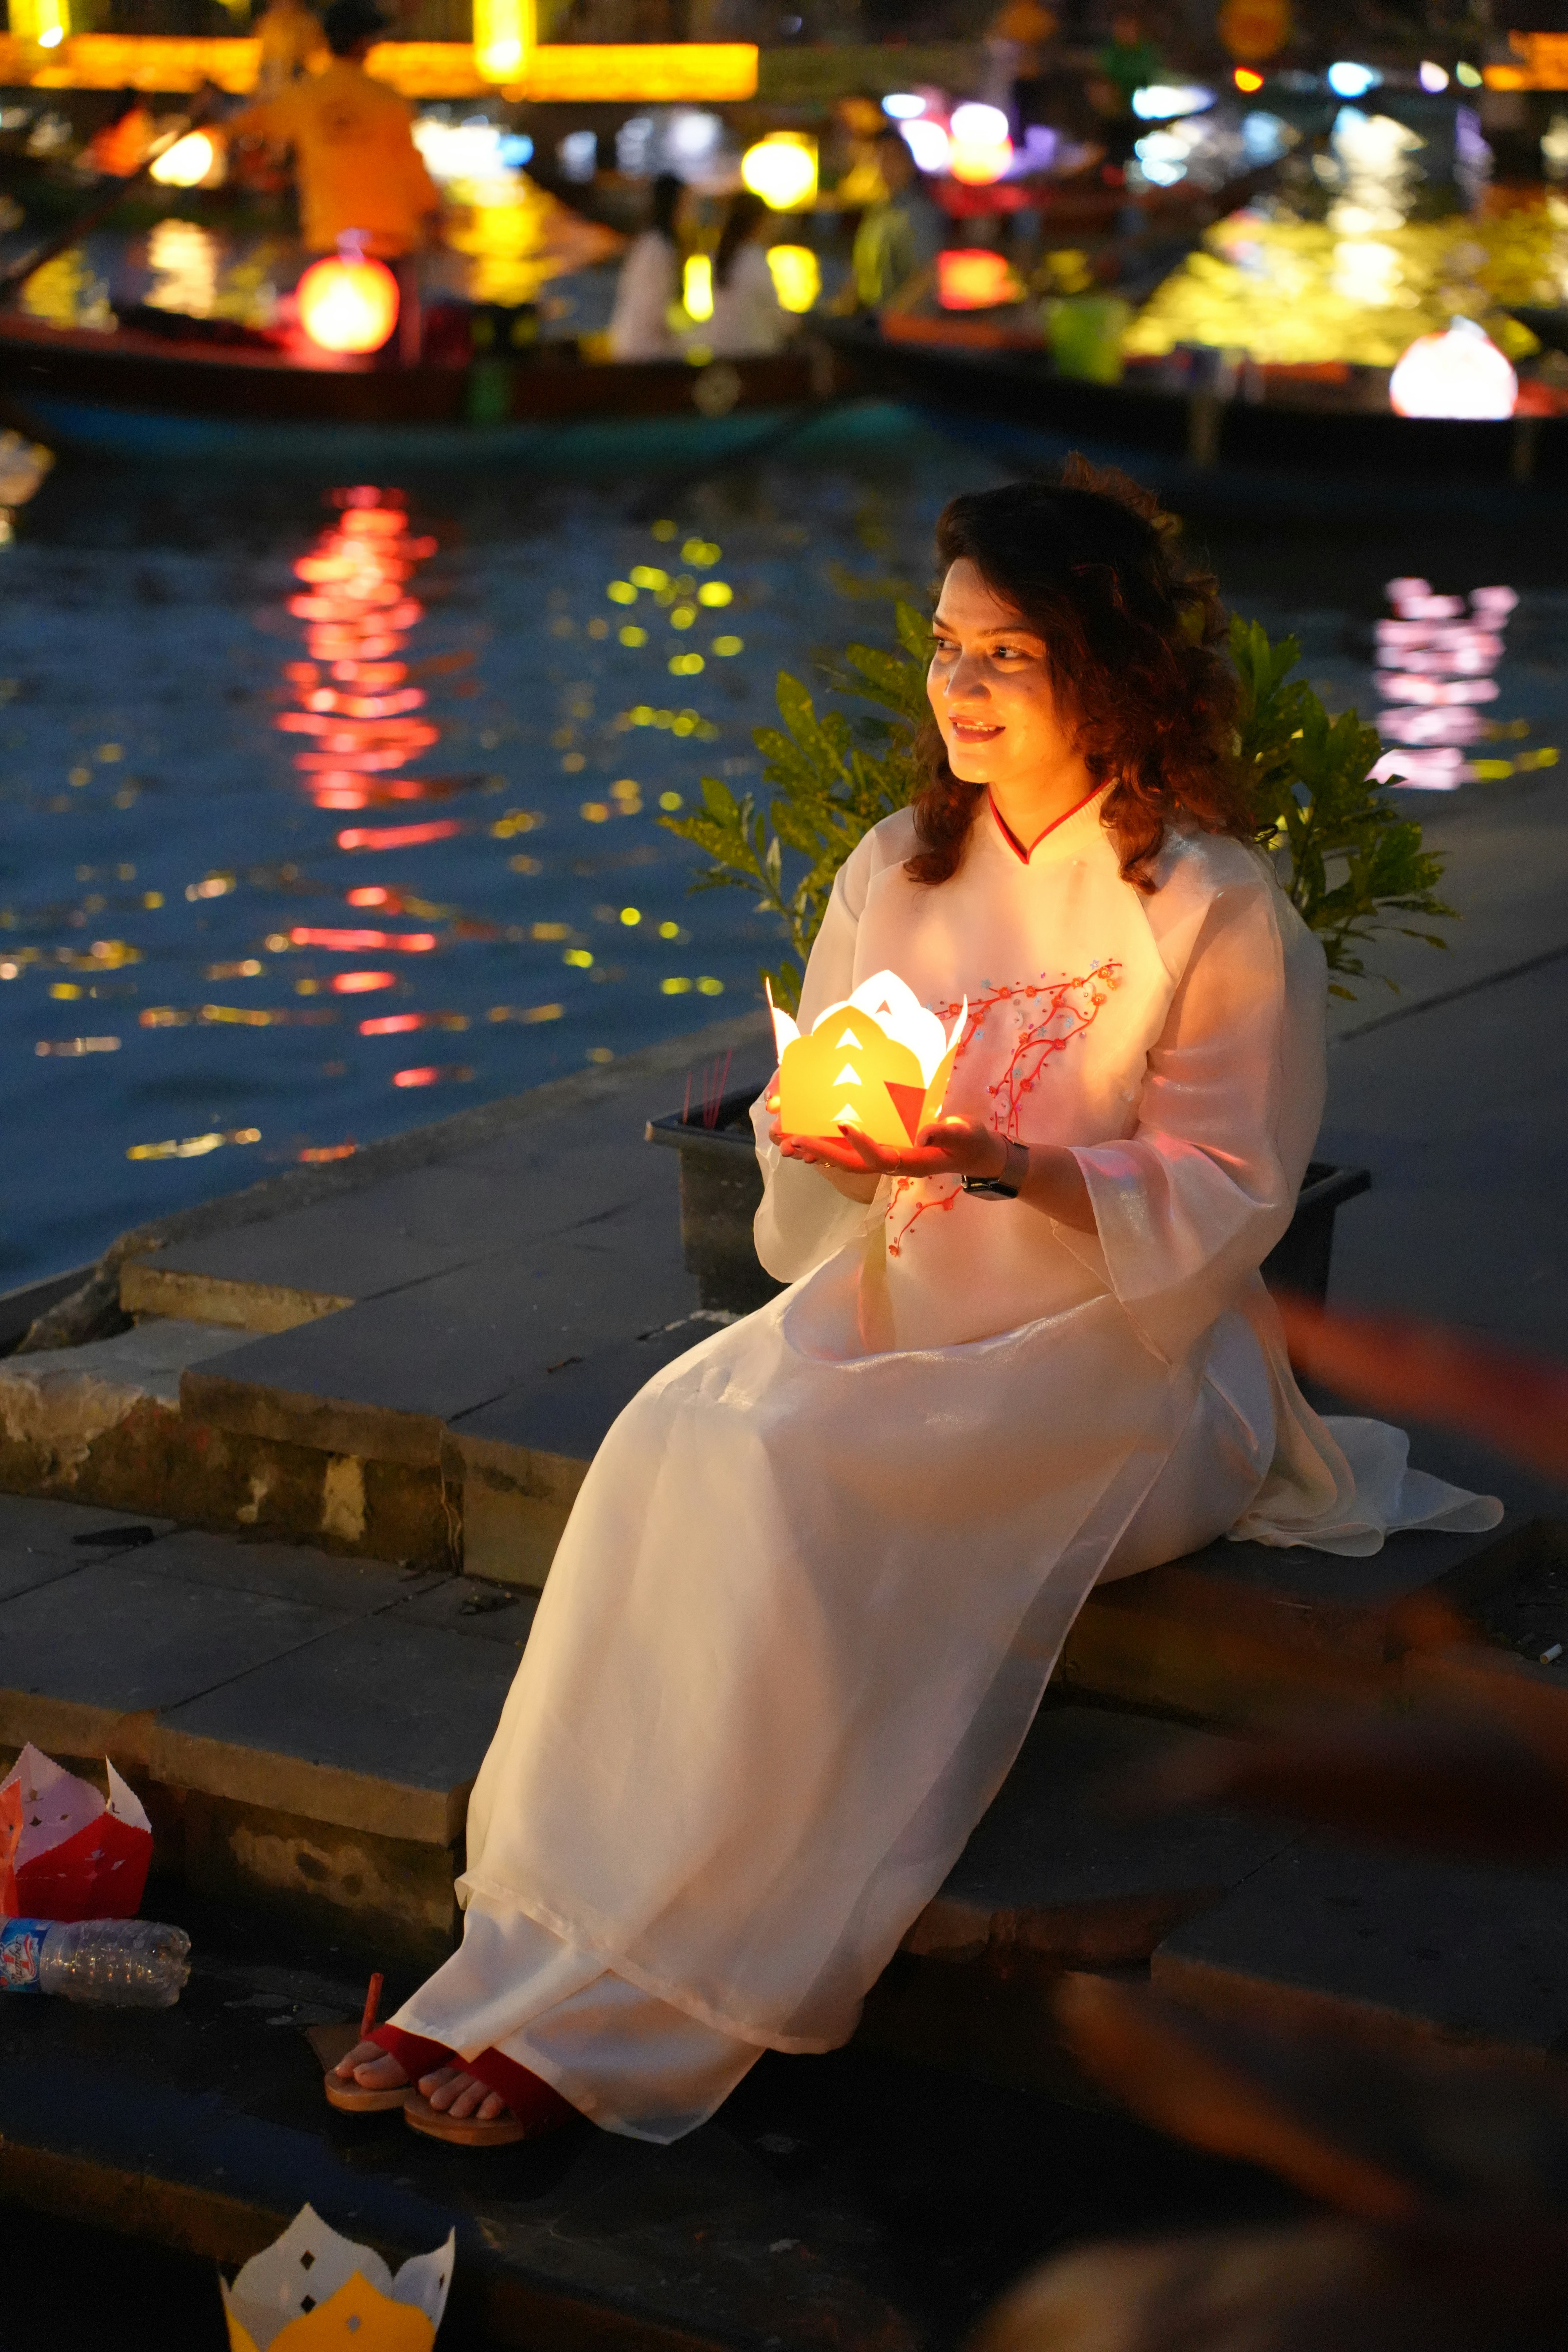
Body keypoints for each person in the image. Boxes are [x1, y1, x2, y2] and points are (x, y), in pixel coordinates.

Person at [327, 462, 1500, 2148]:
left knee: (791, 1481)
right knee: (675, 1436)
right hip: (906, 1299)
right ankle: (518, 1953)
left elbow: (1235, 1195)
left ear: (1105, 665)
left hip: (1128, 1357)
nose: (955, 686)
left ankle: (662, 1993)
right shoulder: (898, 864)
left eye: (1003, 654)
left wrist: (1005, 1159)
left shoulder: (1213, 902)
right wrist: (834, 1139)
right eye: (945, 647)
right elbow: (822, 1170)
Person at [219, 0, 439, 259]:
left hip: (328, 238)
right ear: (367, 43)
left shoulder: (305, 96)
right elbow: (411, 166)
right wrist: (434, 216)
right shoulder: (388, 99)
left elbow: (250, 123)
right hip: (389, 238)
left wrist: (217, 115)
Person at [849, 128, 942, 315]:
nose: (885, 167)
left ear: (908, 163)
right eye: (880, 159)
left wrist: (891, 316)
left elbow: (926, 275)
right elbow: (863, 271)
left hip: (907, 327)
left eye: (892, 159)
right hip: (875, 319)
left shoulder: (919, 213)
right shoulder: (879, 211)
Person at [606, 170, 683, 361]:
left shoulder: (647, 243)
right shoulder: (658, 248)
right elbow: (653, 309)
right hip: (645, 352)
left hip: (630, 346)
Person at [703, 190, 788, 357]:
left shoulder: (720, 257)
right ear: (758, 223)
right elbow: (777, 316)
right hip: (755, 356)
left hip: (723, 353)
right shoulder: (754, 260)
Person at [252, 0, 328, 101]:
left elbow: (318, 68)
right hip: (271, 102)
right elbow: (262, 69)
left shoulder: (308, 27)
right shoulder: (266, 25)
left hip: (299, 101)